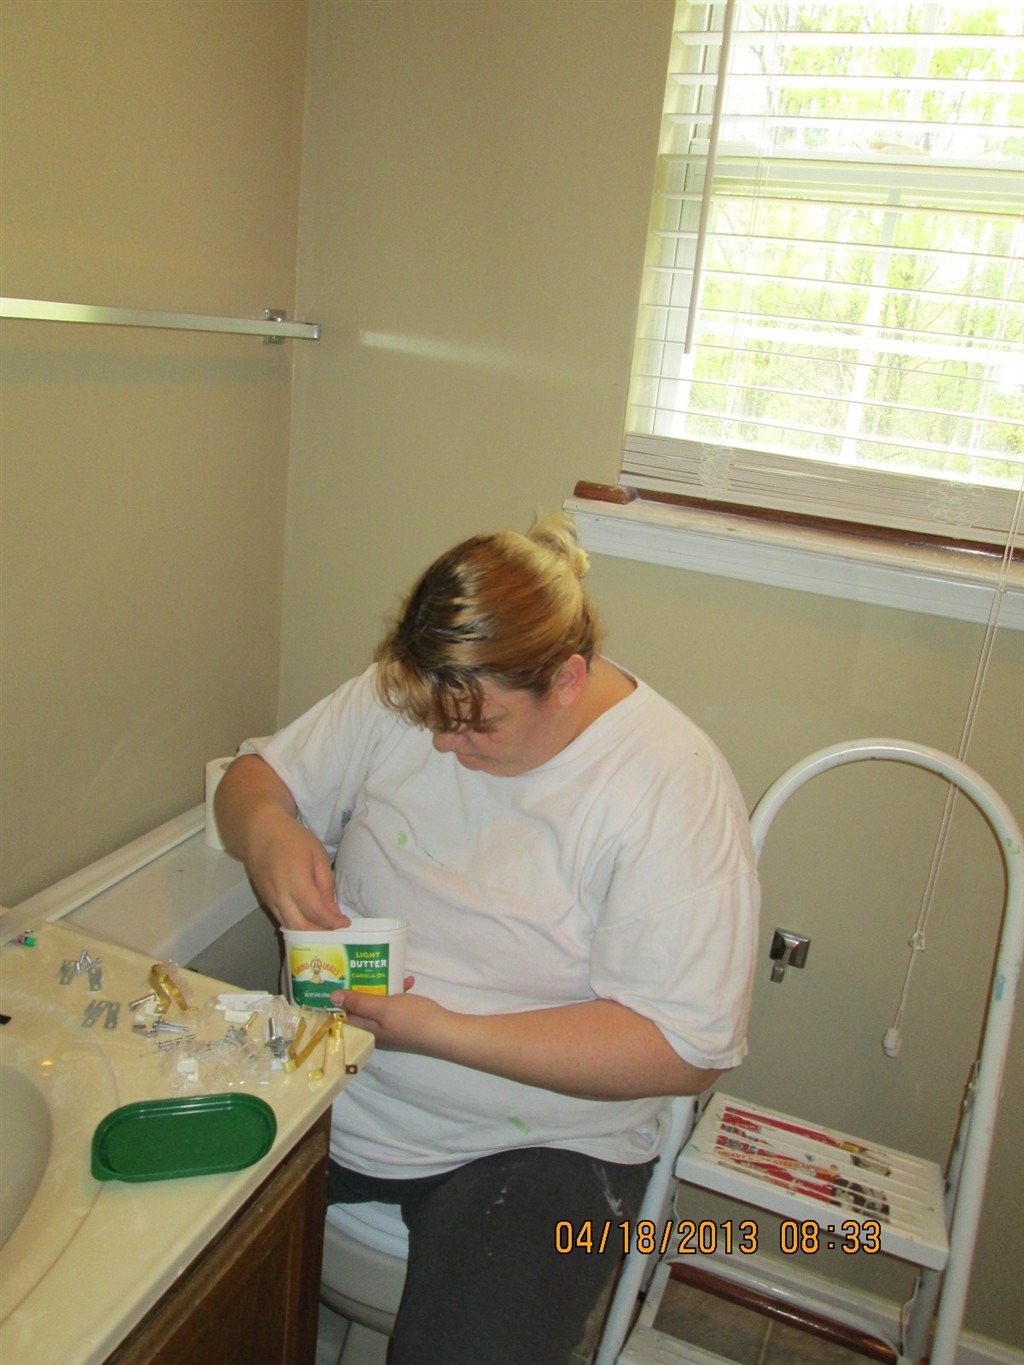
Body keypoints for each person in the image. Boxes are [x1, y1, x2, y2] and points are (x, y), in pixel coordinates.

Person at [215, 513, 759, 1365]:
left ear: (567, 680)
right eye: (432, 715)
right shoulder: (415, 691)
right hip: (333, 1086)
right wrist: (268, 832)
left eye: (476, 724)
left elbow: (685, 1048)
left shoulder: (669, 784)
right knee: (161, 1266)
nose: (442, 741)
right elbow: (254, 781)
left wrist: (441, 1031)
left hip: (547, 1148)